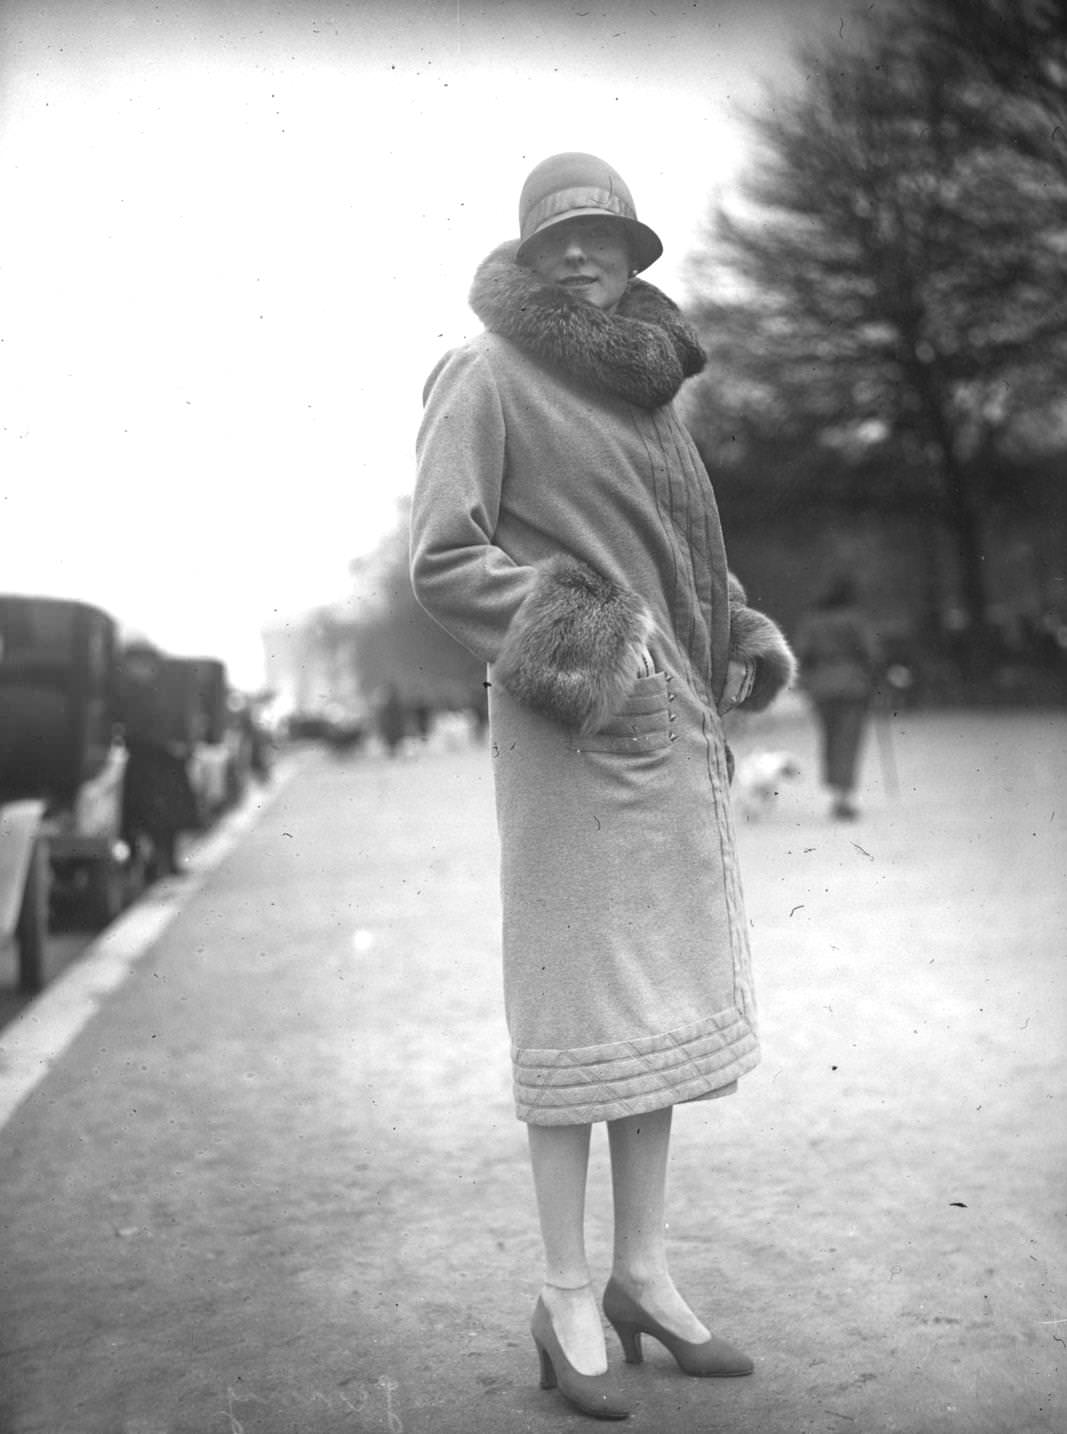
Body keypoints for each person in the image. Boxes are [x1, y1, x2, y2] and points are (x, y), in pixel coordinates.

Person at [411, 152, 796, 1421]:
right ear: (528, 257)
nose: (585, 251)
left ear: (634, 256)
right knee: (580, 1010)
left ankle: (640, 1273)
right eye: (559, 236)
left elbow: (677, 553)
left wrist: (735, 630)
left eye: (606, 234)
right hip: (571, 731)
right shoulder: (483, 374)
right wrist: (595, 647)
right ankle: (564, 1289)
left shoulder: (652, 401)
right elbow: (443, 560)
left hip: (673, 735)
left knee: (657, 1012)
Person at [793, 575, 883, 820]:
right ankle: (844, 796)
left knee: (830, 737)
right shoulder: (855, 619)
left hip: (821, 686)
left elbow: (801, 654)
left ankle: (835, 791)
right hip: (852, 684)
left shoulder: (812, 620)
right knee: (849, 739)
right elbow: (872, 652)